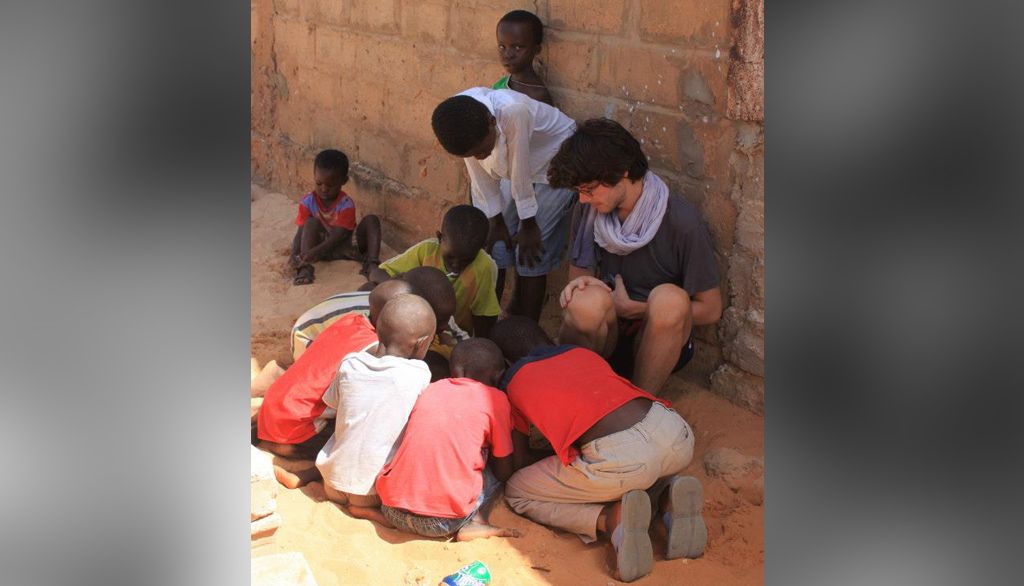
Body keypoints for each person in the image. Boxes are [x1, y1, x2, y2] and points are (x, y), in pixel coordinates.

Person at [490, 317, 706, 583]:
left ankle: (610, 519)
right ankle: (666, 498)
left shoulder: (513, 380)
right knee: (637, 467)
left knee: (518, 491)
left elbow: (517, 461)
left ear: (506, 363)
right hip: (675, 432)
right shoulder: (580, 353)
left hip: (624, 458)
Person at [548, 119, 723, 395]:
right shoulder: (590, 210)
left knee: (670, 299)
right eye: (580, 192)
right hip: (607, 336)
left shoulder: (680, 221)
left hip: (657, 341)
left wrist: (636, 309)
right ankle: (578, 395)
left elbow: (711, 309)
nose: (583, 200)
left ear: (621, 172)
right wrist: (602, 302)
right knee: (584, 302)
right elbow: (580, 281)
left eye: (589, 189)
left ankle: (640, 404)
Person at [431, 88, 576, 322]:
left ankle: (526, 328)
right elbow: (479, 174)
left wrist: (528, 224)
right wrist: (495, 219)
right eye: (473, 153)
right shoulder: (460, 120)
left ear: (491, 121)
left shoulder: (512, 112)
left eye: (481, 150)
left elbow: (520, 172)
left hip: (555, 160)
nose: (480, 157)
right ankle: (490, 325)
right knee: (495, 246)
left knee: (532, 251)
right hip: (513, 167)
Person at [376, 338, 520, 541]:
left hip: (391, 510)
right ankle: (477, 522)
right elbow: (504, 470)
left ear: (454, 370)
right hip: (442, 523)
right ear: (498, 376)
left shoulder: (432, 389)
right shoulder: (496, 400)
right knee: (495, 477)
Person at [255, 280, 412, 461]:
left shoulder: (351, 320)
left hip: (271, 413)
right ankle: (301, 471)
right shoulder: (373, 351)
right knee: (365, 436)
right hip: (294, 436)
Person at [314, 294, 436, 523]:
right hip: (371, 489)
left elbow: (333, 404)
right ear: (421, 344)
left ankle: (310, 479)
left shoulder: (350, 363)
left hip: (331, 480)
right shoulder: (419, 374)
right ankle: (368, 512)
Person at [367, 205, 500, 338]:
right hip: (414, 328)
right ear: (439, 238)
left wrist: (479, 345)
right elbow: (377, 274)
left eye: (466, 260)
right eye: (450, 257)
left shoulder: (484, 267)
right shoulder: (427, 251)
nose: (455, 265)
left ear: (482, 248)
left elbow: (485, 316)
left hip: (453, 335)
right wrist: (406, 294)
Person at [288, 149, 383, 285]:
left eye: (330, 185)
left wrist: (315, 252)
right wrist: (295, 254)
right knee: (311, 222)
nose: (324, 189)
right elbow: (300, 232)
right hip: (320, 244)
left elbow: (340, 235)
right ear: (314, 177)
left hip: (344, 246)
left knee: (372, 220)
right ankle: (305, 269)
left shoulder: (346, 204)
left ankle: (372, 263)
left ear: (343, 181)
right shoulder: (307, 202)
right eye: (319, 183)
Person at [492, 10, 554, 106]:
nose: (508, 55)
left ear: (536, 49)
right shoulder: (502, 84)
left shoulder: (537, 96)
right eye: (502, 47)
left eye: (517, 47)